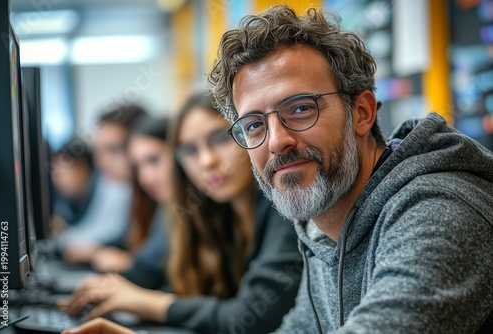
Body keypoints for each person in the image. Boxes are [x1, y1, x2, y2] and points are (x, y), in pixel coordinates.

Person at [206, 5, 493, 334]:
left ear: (361, 113)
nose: (276, 142)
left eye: (300, 109)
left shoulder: (438, 211)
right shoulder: (320, 228)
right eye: (254, 125)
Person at [66, 92, 302, 334]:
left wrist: (140, 301)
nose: (207, 161)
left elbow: (248, 318)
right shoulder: (216, 215)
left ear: (249, 133)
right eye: (190, 150)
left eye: (220, 138)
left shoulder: (284, 208)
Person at [58, 104, 146, 264]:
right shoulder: (130, 193)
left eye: (113, 149)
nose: (101, 163)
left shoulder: (158, 198)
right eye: (98, 151)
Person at [91, 116, 172, 274]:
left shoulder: (172, 203)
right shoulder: (148, 199)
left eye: (113, 149)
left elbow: (152, 268)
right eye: (137, 166)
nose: (145, 178)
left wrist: (129, 264)